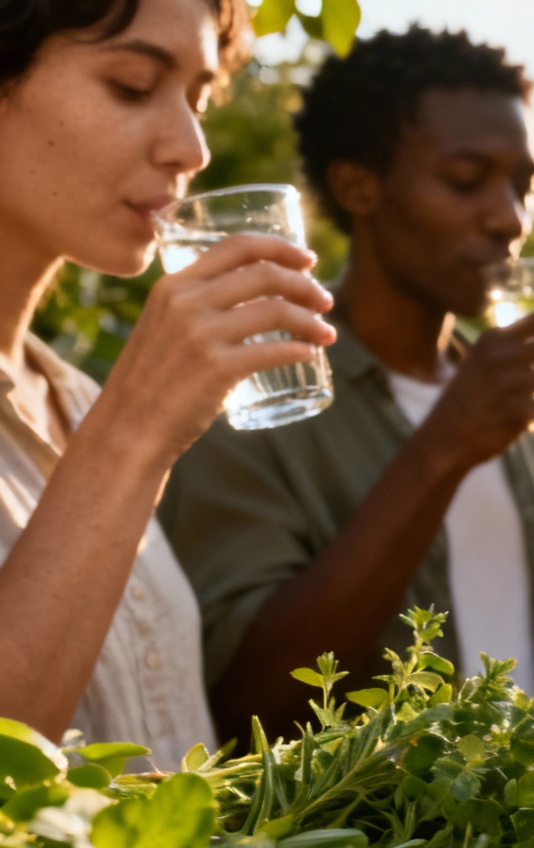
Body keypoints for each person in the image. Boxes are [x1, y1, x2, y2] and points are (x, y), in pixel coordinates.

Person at [160, 27, 534, 745]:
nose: (508, 219)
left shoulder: (515, 395)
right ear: (356, 186)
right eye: (465, 180)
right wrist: (444, 447)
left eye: (523, 184)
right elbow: (247, 703)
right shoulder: (255, 399)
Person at [0, 0, 335, 767]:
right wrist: (134, 438)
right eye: (131, 84)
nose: (193, 147)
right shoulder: (119, 425)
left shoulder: (76, 402)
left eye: (200, 98)